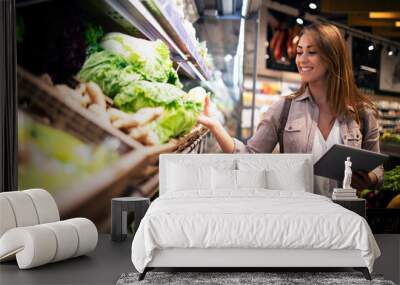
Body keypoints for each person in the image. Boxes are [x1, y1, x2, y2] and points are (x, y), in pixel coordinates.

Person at [197, 22, 383, 197]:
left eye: (311, 52)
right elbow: (249, 158)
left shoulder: (362, 113)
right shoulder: (284, 108)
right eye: (299, 52)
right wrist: (214, 126)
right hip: (299, 216)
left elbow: (377, 168)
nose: (302, 60)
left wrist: (370, 179)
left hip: (345, 220)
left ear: (332, 57)